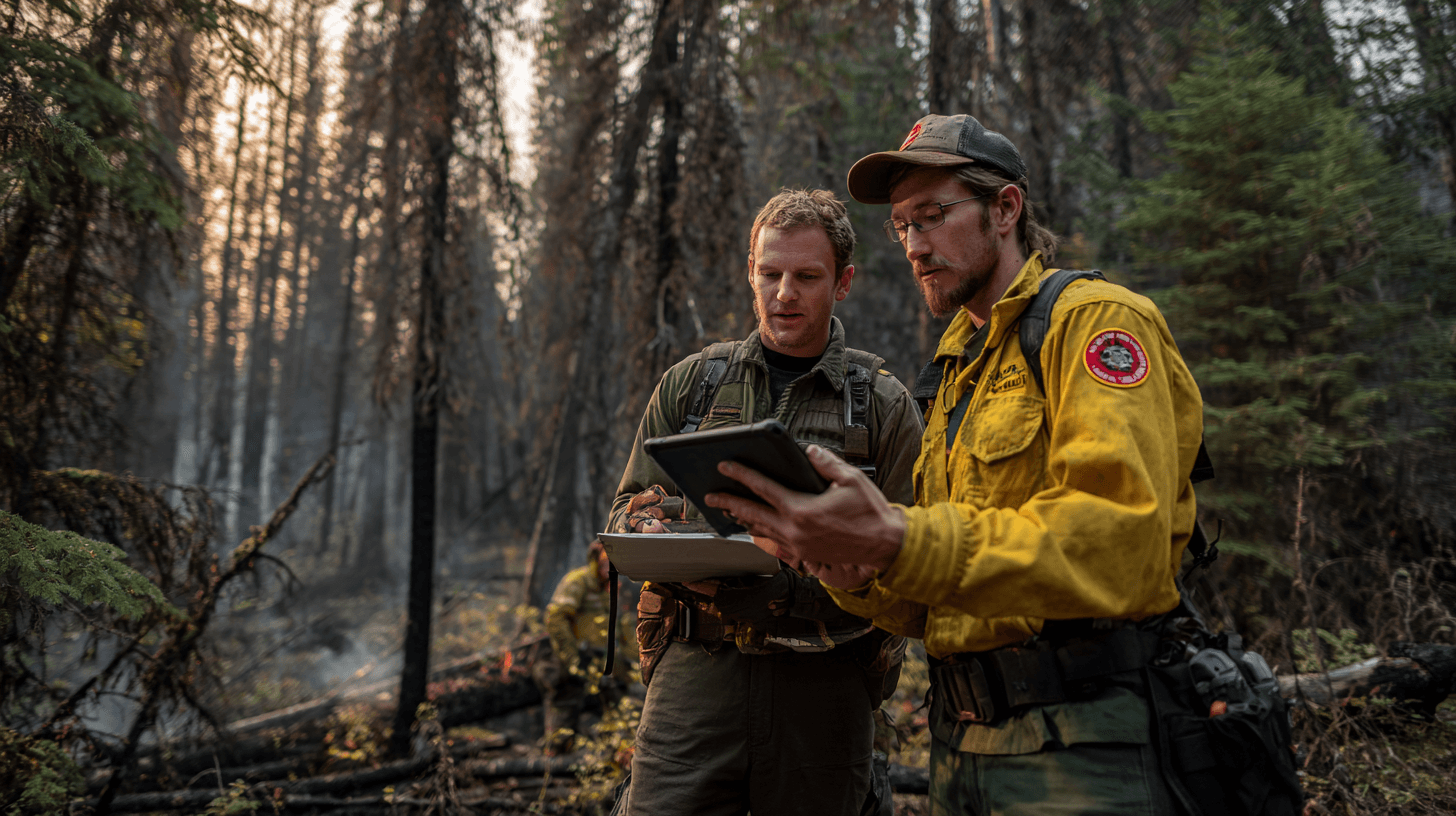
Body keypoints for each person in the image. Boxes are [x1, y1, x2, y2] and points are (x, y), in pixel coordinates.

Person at [704, 115, 1207, 814]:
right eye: (903, 226)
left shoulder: (1092, 325)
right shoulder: (955, 373)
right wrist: (854, 571)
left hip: (1085, 743)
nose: (914, 245)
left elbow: (1123, 544)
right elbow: (937, 596)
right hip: (963, 747)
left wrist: (899, 538)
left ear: (1005, 209)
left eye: (933, 216)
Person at [608, 188, 924, 816]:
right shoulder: (693, 384)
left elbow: (914, 562)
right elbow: (626, 517)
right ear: (749, 272)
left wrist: (808, 568)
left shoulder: (882, 405)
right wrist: (680, 532)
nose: (785, 293)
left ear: (844, 282)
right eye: (770, 273)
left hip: (827, 688)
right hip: (694, 681)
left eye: (807, 276)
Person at [534, 539, 634, 755]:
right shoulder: (578, 581)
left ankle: (612, 757)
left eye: (614, 563)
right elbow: (556, 618)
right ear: (595, 562)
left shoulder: (611, 588)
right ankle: (554, 762)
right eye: (606, 563)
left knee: (616, 704)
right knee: (565, 702)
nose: (610, 568)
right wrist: (570, 656)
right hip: (574, 655)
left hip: (601, 660)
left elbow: (621, 625)